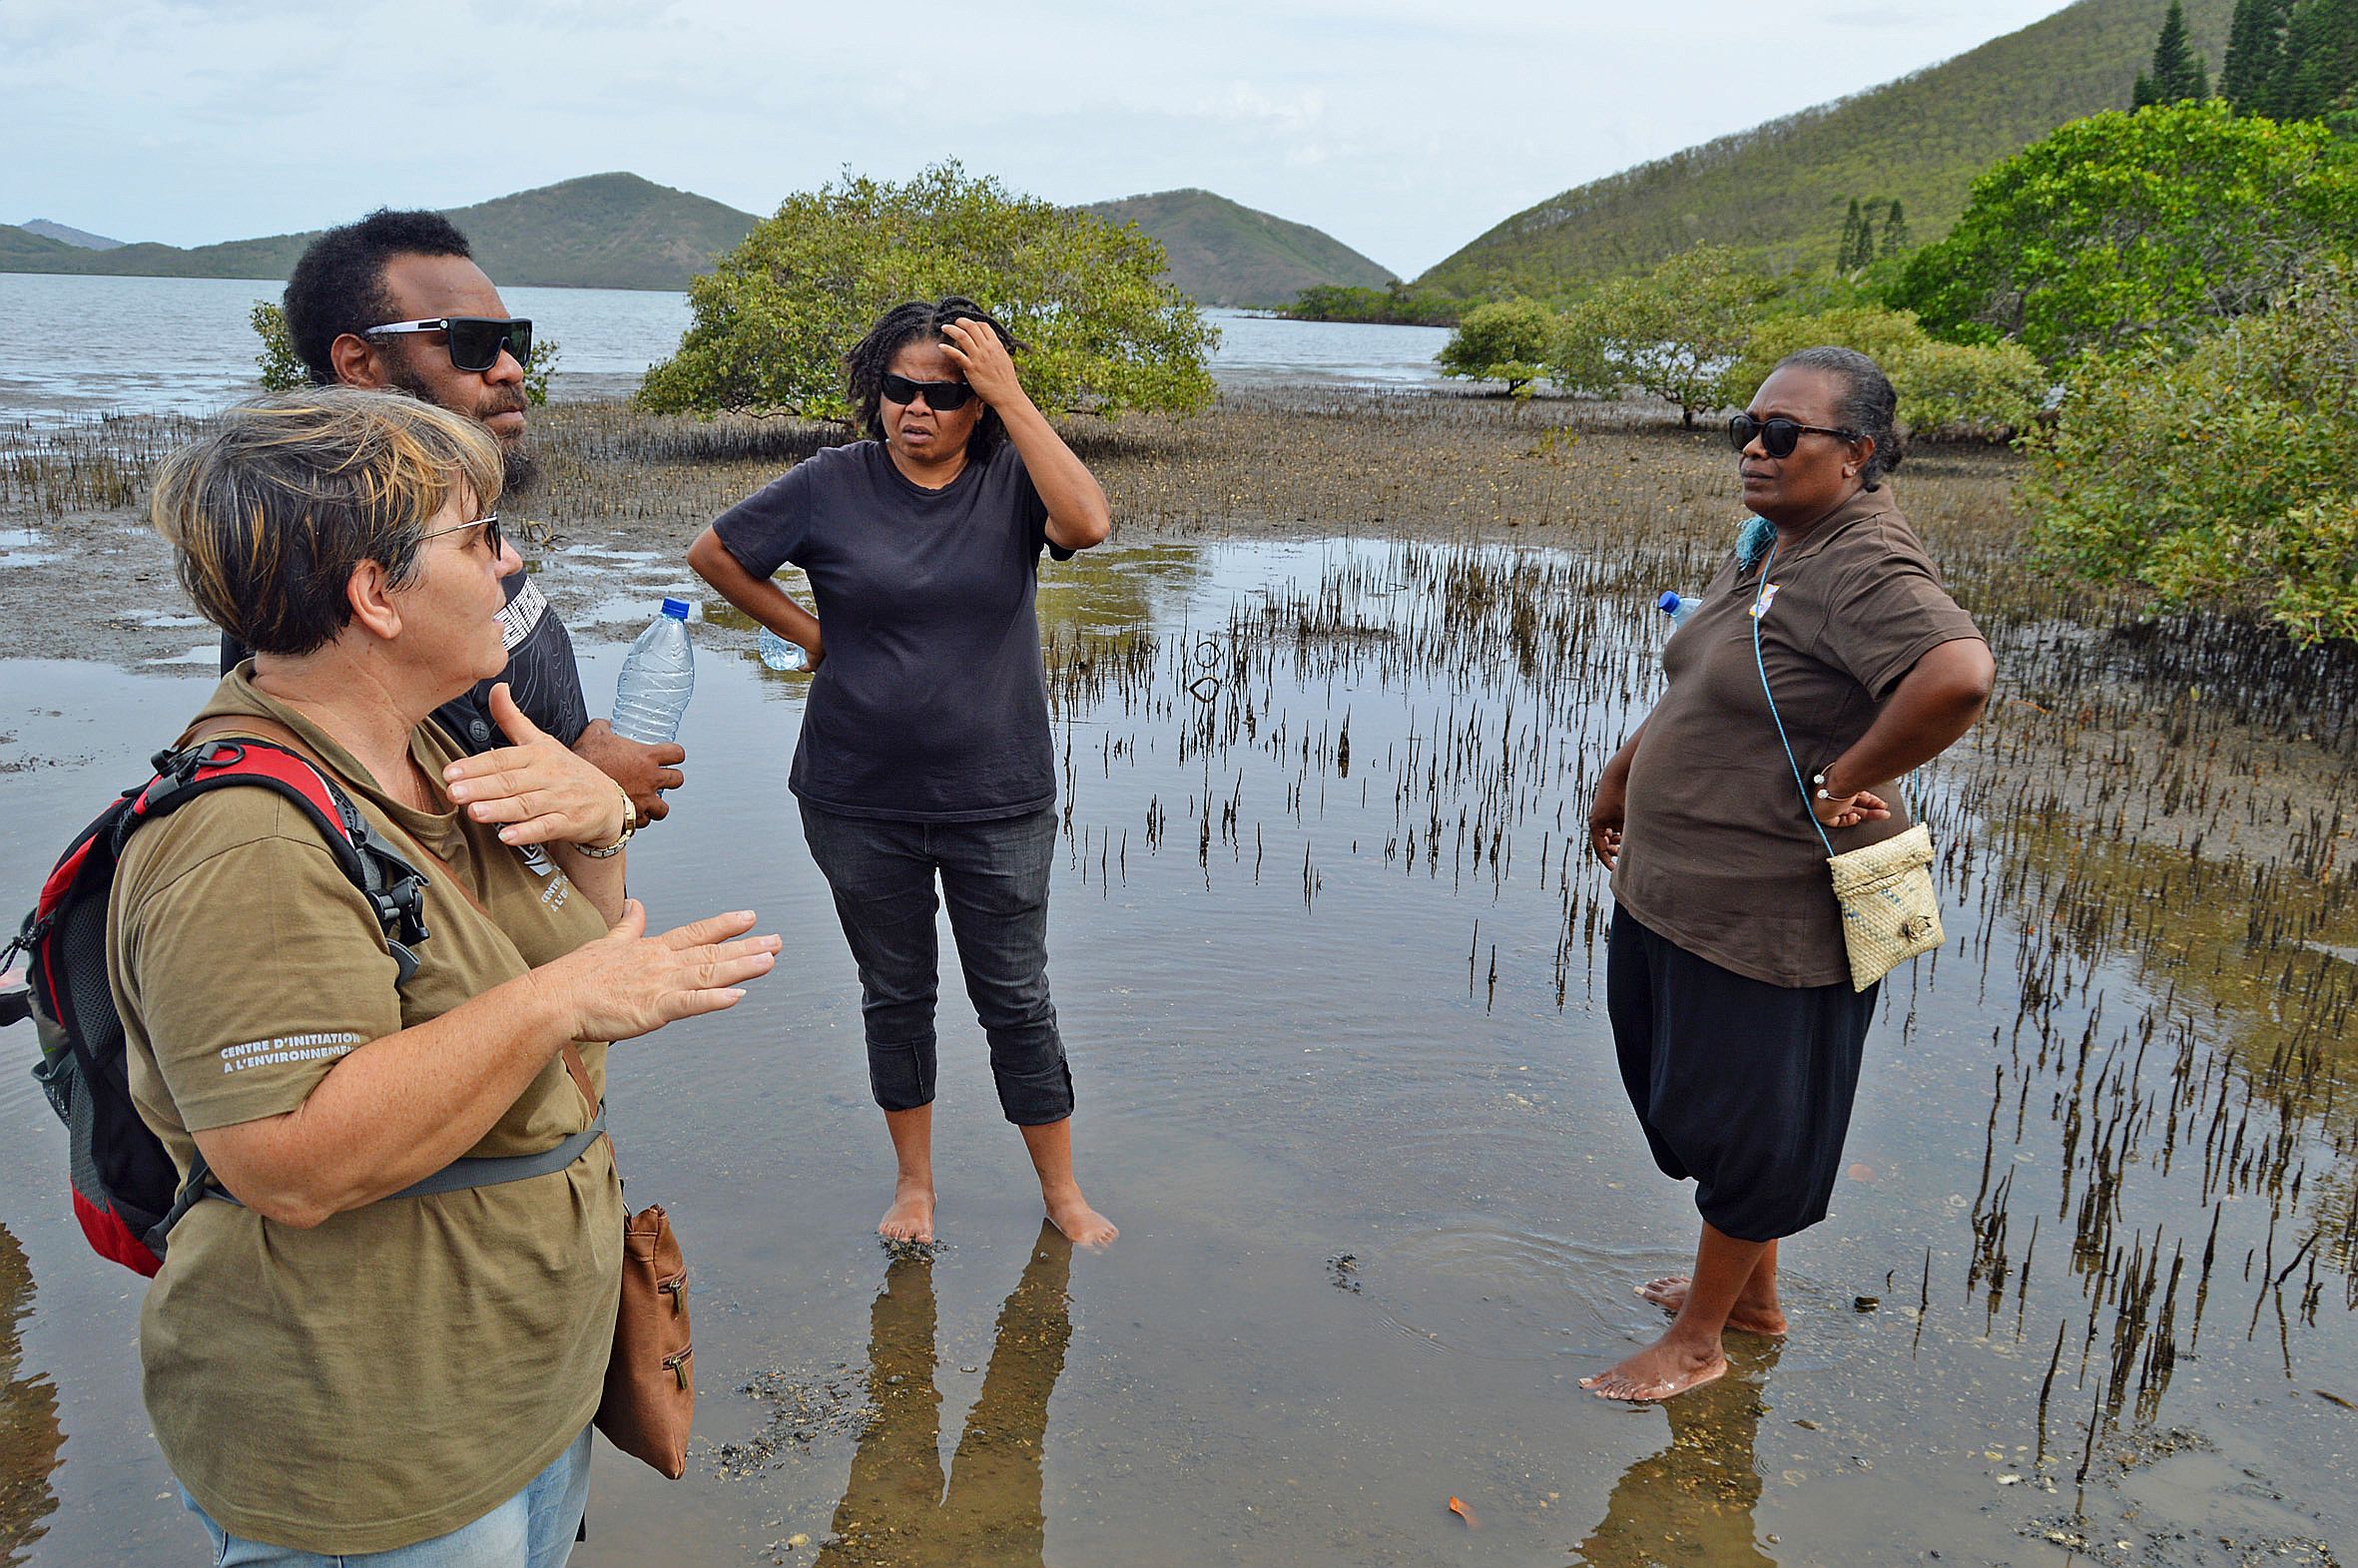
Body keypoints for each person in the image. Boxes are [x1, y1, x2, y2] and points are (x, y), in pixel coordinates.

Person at [115, 388, 779, 1562]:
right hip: (375, 1438)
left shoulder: (432, 748)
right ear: (375, 593)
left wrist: (599, 825)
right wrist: (558, 1000)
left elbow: (574, 958)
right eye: (481, 537)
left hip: (517, 1385)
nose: (511, 564)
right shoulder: (244, 841)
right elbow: (289, 1162)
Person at [1582, 346, 1995, 1401]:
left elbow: (1957, 675)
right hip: (1682, 889)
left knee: (1746, 1123)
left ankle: (1700, 1340)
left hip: (1768, 908)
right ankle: (1751, 1298)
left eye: (1782, 434)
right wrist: (1625, 770)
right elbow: (1710, 672)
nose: (1753, 451)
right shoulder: (1776, 541)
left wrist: (1845, 776)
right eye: (1746, 428)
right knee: (1692, 1103)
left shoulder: (1865, 561)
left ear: (1857, 453)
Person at [688, 296, 1117, 1248]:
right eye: (899, 388)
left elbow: (1088, 523)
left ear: (980, 404)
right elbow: (715, 553)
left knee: (1016, 998)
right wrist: (811, 634)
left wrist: (1014, 396)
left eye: (945, 394)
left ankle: (1063, 1193)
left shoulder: (1013, 479)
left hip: (997, 797)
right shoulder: (829, 482)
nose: (917, 408)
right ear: (873, 389)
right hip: (857, 796)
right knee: (896, 993)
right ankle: (914, 1185)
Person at [221, 208, 687, 825]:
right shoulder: (336, 551)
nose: (510, 368)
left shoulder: (441, 514)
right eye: (470, 343)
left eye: (512, 341)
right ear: (359, 364)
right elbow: (381, 809)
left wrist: (585, 778)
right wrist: (590, 782)